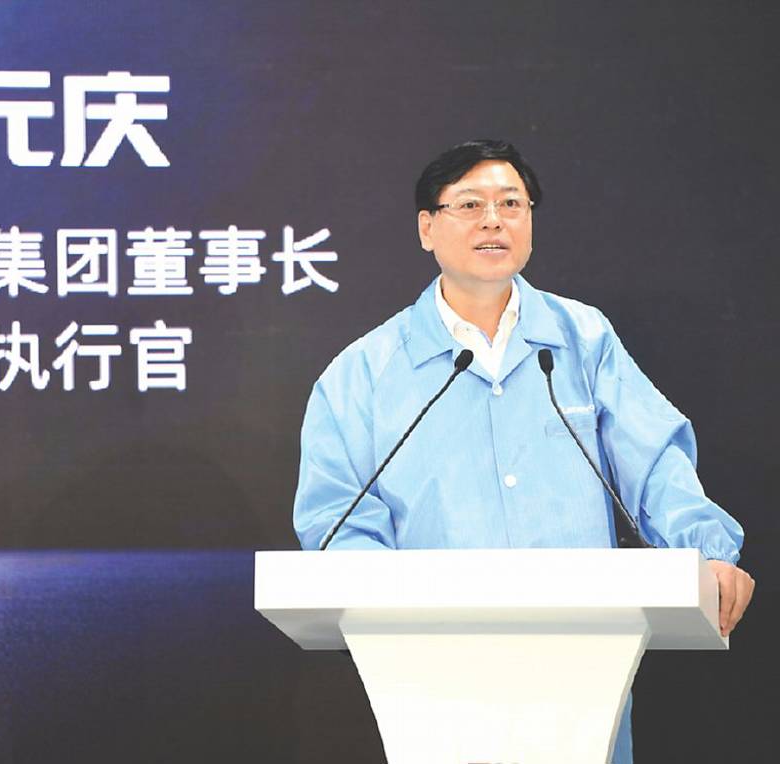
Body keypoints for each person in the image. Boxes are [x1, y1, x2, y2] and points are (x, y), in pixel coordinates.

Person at [291, 139, 754, 764]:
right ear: (427, 228)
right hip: (433, 675)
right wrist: (398, 607)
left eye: (511, 203)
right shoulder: (361, 374)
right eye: (469, 205)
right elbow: (336, 520)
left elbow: (654, 466)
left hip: (584, 663)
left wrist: (708, 553)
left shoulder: (583, 340)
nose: (493, 220)